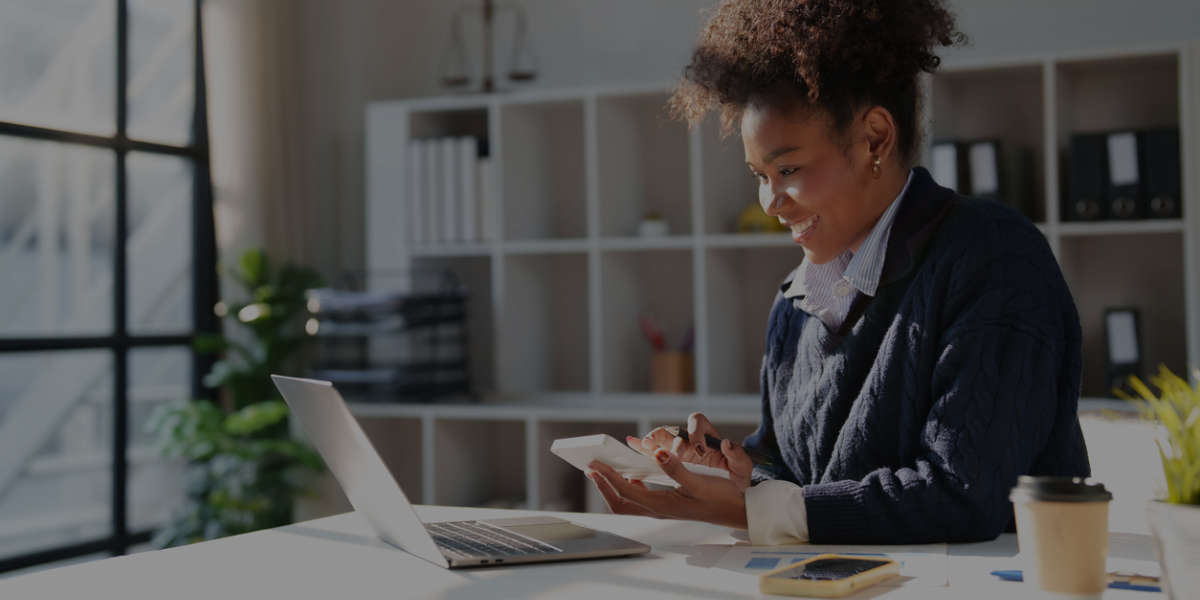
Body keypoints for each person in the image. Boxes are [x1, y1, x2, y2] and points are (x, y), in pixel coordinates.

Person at [586, 0, 1091, 545]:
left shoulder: (995, 258)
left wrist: (749, 511)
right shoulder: (795, 304)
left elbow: (963, 493)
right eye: (760, 174)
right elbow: (793, 474)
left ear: (875, 138)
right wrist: (727, 472)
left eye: (788, 169)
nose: (770, 201)